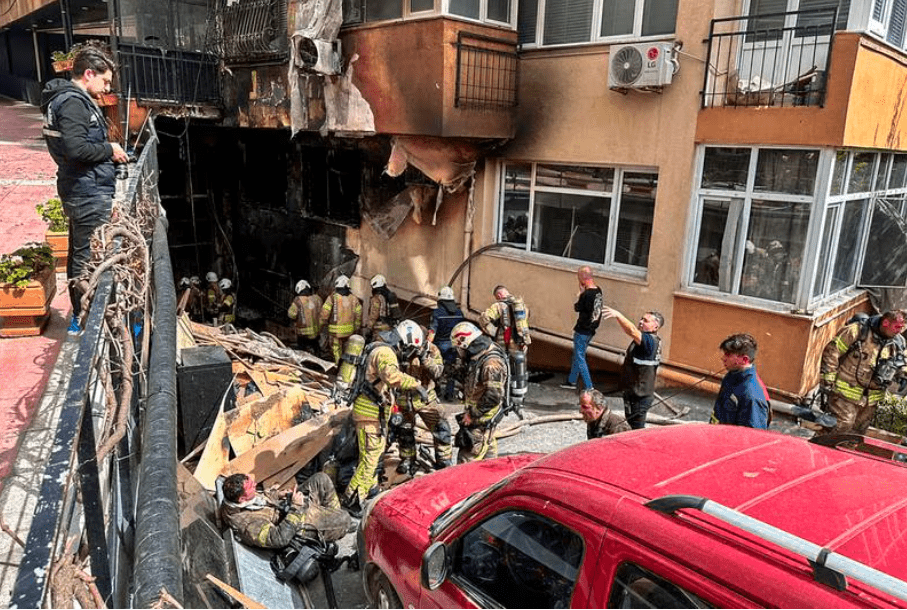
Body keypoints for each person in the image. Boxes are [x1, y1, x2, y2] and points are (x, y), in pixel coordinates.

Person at [41, 47, 129, 333]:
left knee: (80, 252)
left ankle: (83, 317)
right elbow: (76, 149)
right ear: (89, 74)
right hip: (86, 190)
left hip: (81, 187)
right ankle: (87, 320)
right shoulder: (72, 103)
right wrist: (110, 149)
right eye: (105, 81)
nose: (107, 89)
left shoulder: (67, 100)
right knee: (88, 257)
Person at [341, 322, 427, 517]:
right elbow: (391, 376)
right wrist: (416, 385)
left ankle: (370, 490)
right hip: (369, 415)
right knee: (370, 459)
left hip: (371, 413)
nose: (408, 354)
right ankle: (352, 499)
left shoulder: (377, 347)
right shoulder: (386, 353)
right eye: (410, 349)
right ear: (405, 342)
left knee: (373, 454)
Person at [819, 310, 907, 435]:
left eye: (902, 328)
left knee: (857, 433)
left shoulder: (898, 342)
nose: (899, 331)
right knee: (841, 425)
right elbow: (832, 351)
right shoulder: (857, 331)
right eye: (897, 327)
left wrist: (902, 376)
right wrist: (828, 378)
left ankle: (845, 448)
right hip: (845, 391)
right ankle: (819, 445)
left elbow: (899, 362)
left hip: (871, 399)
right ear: (886, 323)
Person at [220, 471, 350, 548]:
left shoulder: (238, 500)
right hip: (293, 527)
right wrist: (295, 508)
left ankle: (332, 520)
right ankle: (339, 526)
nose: (255, 484)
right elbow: (278, 539)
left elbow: (260, 499)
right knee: (345, 519)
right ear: (242, 499)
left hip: (285, 508)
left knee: (321, 479)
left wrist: (278, 495)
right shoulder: (247, 525)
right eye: (251, 487)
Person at [396, 325, 453, 473]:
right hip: (404, 397)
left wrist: (424, 358)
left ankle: (444, 461)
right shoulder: (400, 346)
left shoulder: (432, 350)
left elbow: (438, 373)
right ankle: (408, 460)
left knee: (441, 428)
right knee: (404, 431)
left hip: (426, 398)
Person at [450, 321, 509, 463]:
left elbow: (493, 396)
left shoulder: (491, 364)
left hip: (481, 418)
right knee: (489, 453)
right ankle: (492, 473)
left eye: (459, 348)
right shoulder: (480, 353)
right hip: (483, 419)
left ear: (466, 343)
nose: (459, 352)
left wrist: (472, 414)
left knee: (466, 459)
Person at [602, 307, 664, 429]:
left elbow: (632, 331)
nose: (641, 322)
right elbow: (632, 332)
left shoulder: (650, 341)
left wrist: (618, 315)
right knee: (631, 427)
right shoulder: (645, 339)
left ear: (655, 327)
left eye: (646, 321)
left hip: (639, 396)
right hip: (632, 393)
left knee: (636, 431)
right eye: (641, 319)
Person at [711, 333, 771, 429]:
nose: (723, 358)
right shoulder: (731, 376)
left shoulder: (752, 395)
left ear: (744, 360)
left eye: (728, 355)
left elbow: (753, 434)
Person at [561, 266, 603, 391]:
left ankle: (589, 386)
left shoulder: (586, 294)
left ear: (582, 278)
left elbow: (577, 307)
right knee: (578, 355)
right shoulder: (598, 291)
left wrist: (580, 294)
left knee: (580, 358)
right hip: (591, 328)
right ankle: (571, 380)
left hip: (582, 329)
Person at [427, 286, 465, 400]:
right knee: (451, 369)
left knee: (435, 368)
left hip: (439, 345)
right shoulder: (459, 313)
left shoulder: (437, 313)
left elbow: (432, 331)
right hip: (454, 346)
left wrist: (427, 345)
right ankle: (450, 393)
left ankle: (436, 390)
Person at [320, 274, 363, 365]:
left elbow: (324, 313)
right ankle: (345, 365)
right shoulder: (354, 299)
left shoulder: (332, 298)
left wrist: (321, 324)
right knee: (347, 348)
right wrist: (357, 327)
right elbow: (358, 314)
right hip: (349, 331)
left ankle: (338, 364)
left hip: (335, 332)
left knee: (336, 349)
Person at [479, 285, 531, 354]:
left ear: (499, 295)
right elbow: (524, 323)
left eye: (497, 298)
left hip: (503, 339)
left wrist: (493, 331)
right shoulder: (521, 305)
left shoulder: (498, 306)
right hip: (520, 341)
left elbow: (485, 318)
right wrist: (525, 340)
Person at [288, 279, 322, 353]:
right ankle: (318, 356)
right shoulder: (317, 298)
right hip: (316, 332)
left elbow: (291, 315)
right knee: (316, 346)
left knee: (301, 350)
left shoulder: (297, 301)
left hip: (303, 334)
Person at [363, 274, 401, 341]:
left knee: (379, 344)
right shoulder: (391, 295)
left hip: (380, 326)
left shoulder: (376, 298)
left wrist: (369, 327)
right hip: (389, 325)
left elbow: (374, 314)